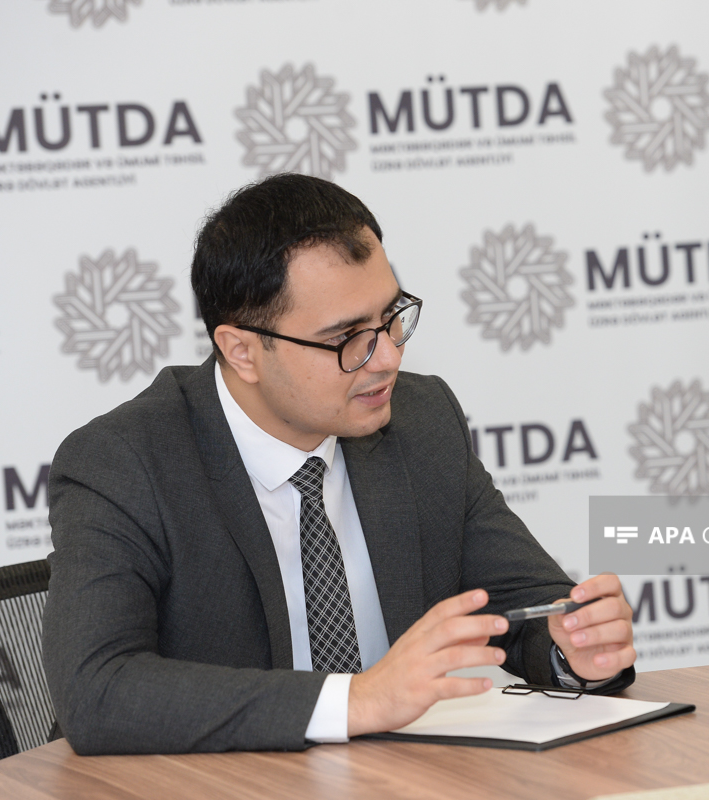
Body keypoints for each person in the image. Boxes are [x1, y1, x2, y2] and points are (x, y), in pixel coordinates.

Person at [41, 174, 636, 755]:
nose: (388, 357)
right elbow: (97, 691)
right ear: (241, 350)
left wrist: (572, 647)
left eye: (391, 317)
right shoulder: (125, 462)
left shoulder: (422, 421)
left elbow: (523, 602)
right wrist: (356, 701)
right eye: (347, 337)